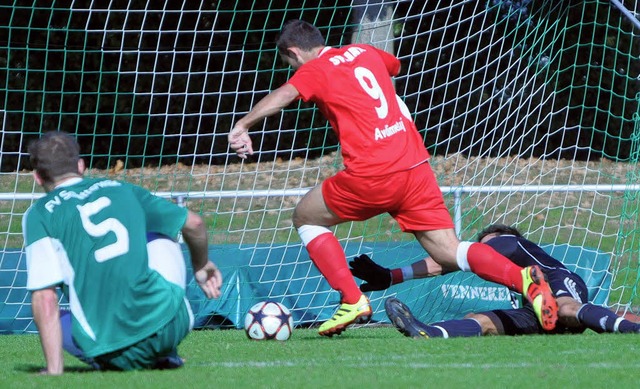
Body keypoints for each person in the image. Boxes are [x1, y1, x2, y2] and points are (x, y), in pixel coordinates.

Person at [228, 19, 557, 337]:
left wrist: (243, 124)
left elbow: (285, 94)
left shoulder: (314, 69)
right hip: (414, 167)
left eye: (290, 64)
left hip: (373, 172)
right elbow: (394, 65)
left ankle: (351, 299)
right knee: (448, 250)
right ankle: (525, 279)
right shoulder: (365, 52)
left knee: (306, 217)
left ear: (295, 54)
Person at [24, 131, 223, 375]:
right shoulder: (121, 189)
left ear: (37, 177)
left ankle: (109, 358)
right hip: (174, 323)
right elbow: (194, 224)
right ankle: (164, 352)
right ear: (81, 165)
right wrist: (201, 266)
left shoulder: (39, 214)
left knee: (59, 315)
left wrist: (54, 371)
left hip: (115, 351)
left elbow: (46, 298)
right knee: (160, 230)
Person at [349, 224, 640, 337]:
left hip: (556, 281)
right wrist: (390, 276)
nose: (483, 251)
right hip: (535, 304)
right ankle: (427, 332)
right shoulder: (507, 265)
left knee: (565, 309)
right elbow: (449, 262)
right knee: (480, 320)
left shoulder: (508, 242)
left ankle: (630, 329)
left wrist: (392, 275)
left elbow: (446, 262)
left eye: (485, 246)